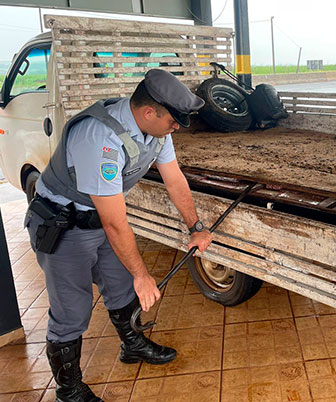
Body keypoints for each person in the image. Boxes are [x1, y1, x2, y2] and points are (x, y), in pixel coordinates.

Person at [24, 69, 213, 402]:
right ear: (149, 111)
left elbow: (174, 179)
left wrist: (195, 226)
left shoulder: (157, 131)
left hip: (99, 219)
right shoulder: (100, 138)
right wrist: (144, 275)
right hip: (63, 226)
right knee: (72, 310)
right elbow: (115, 223)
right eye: (174, 120)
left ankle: (133, 345)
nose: (177, 128)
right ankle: (68, 390)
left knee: (121, 286)